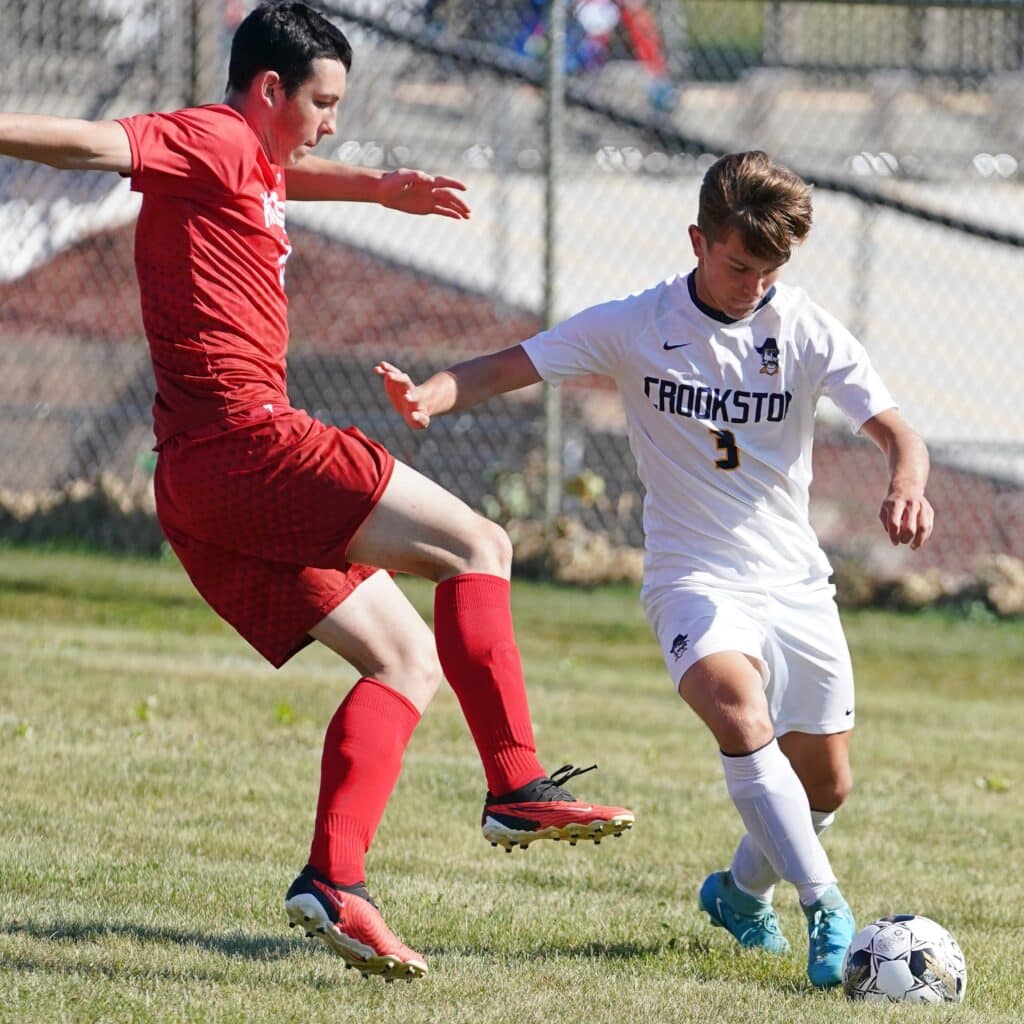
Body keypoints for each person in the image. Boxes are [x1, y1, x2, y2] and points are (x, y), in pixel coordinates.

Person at [0, 1, 634, 983]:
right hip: (250, 446)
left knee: (403, 659)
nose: (332, 120)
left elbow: (278, 174)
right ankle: (513, 784)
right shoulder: (207, 134)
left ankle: (334, 883)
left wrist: (380, 190)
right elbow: (92, 146)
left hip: (199, 482)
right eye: (323, 102)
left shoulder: (245, 157)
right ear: (267, 91)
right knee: (480, 547)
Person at [377, 150, 935, 988]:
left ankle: (740, 895)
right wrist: (429, 396)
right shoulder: (638, 324)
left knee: (827, 789)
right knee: (739, 712)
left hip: (795, 584)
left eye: (772, 269)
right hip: (693, 577)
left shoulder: (806, 328)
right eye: (741, 265)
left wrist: (905, 482)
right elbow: (511, 364)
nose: (756, 285)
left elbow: (899, 431)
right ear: (697, 242)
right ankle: (828, 908)